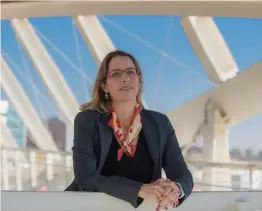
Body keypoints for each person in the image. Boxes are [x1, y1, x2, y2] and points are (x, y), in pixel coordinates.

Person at [65, 50, 193, 210]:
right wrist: (139, 189)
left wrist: (175, 190)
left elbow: (183, 176)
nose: (125, 78)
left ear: (139, 81)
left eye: (131, 72)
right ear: (104, 85)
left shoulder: (160, 123)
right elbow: (86, 178)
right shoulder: (87, 121)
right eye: (116, 74)